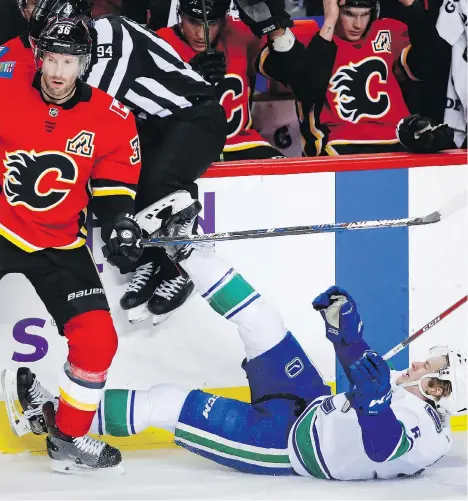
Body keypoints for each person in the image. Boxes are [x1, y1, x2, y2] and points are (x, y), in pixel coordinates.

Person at [4, 191, 466, 480]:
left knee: (168, 402)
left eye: (434, 369)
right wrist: (347, 339)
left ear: (443, 394)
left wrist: (375, 400)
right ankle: (187, 250)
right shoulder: (405, 392)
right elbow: (361, 380)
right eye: (434, 358)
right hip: (308, 401)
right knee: (263, 321)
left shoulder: (430, 436)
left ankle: (48, 418)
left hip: (281, 444)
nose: (423, 363)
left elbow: (382, 447)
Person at [0, 0, 227, 327]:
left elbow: (89, 113)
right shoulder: (88, 40)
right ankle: (153, 261)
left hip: (195, 117)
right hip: (154, 124)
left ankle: (181, 263)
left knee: (155, 178)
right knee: (126, 180)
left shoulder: (110, 37)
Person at [0, 16, 146, 472]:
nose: (59, 72)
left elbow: (114, 187)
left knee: (97, 341)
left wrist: (121, 224)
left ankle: (67, 436)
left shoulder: (112, 117)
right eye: (53, 59)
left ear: (84, 64)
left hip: (58, 244)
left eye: (70, 61)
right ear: (39, 57)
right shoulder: (5, 86)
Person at [237, 0, 448, 156]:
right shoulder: (307, 35)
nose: (358, 24)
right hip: (339, 147)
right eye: (349, 14)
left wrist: (414, 8)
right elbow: (306, 87)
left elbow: (432, 63)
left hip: (394, 140)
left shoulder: (386, 31)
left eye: (364, 14)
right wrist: (330, 21)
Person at [157, 0, 284, 161]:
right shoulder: (159, 43)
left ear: (224, 19)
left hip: (242, 142)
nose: (201, 34)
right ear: (180, 15)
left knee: (287, 179)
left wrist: (277, 31)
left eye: (212, 22)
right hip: (186, 146)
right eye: (193, 21)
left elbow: (288, 73)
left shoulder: (239, 33)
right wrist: (189, 79)